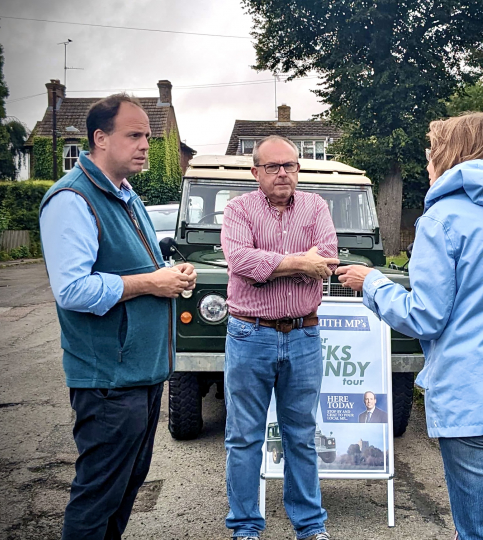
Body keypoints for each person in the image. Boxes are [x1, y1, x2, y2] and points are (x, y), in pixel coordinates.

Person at [337, 112, 483, 540]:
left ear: (448, 154)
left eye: (430, 153)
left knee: (480, 533)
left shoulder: (442, 218)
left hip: (475, 397)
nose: (427, 163)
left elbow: (424, 315)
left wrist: (371, 283)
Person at [39, 93, 197, 540]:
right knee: (98, 495)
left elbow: (135, 268)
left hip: (140, 375)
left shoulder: (127, 195)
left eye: (148, 135)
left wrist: (167, 274)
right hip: (108, 381)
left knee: (126, 486)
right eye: (134, 135)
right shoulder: (72, 198)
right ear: (100, 138)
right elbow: (72, 289)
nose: (146, 144)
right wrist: (152, 283)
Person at [221, 135, 339, 540]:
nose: (283, 173)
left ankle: (310, 527)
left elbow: (327, 259)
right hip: (250, 333)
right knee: (244, 436)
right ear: (255, 172)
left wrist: (276, 265)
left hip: (304, 333)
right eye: (272, 167)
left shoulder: (316, 206)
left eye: (289, 165)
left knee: (302, 436)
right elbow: (241, 261)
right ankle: (245, 528)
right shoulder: (237, 209)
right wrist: (298, 262)